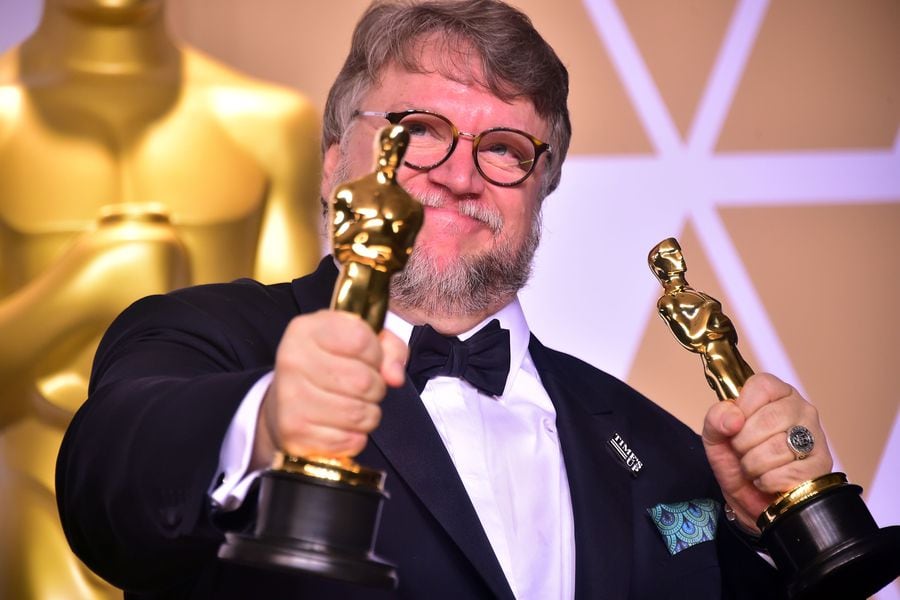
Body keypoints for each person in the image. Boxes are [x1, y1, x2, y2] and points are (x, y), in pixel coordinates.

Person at [56, 1, 835, 598]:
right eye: (419, 130)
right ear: (333, 165)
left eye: (503, 148)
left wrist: (775, 524)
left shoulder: (661, 450)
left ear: (542, 189)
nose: (459, 176)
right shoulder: (203, 338)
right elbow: (107, 485)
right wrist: (263, 421)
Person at [0, 0, 321, 597]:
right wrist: (80, 291)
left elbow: (298, 351)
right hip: (34, 500)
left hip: (218, 505)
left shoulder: (269, 123)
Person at [650, 237, 756, 401]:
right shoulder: (668, 301)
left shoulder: (695, 293)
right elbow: (691, 337)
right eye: (672, 253)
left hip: (730, 350)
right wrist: (712, 313)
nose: (679, 256)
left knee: (758, 396)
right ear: (660, 266)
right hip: (716, 356)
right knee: (742, 404)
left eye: (678, 252)